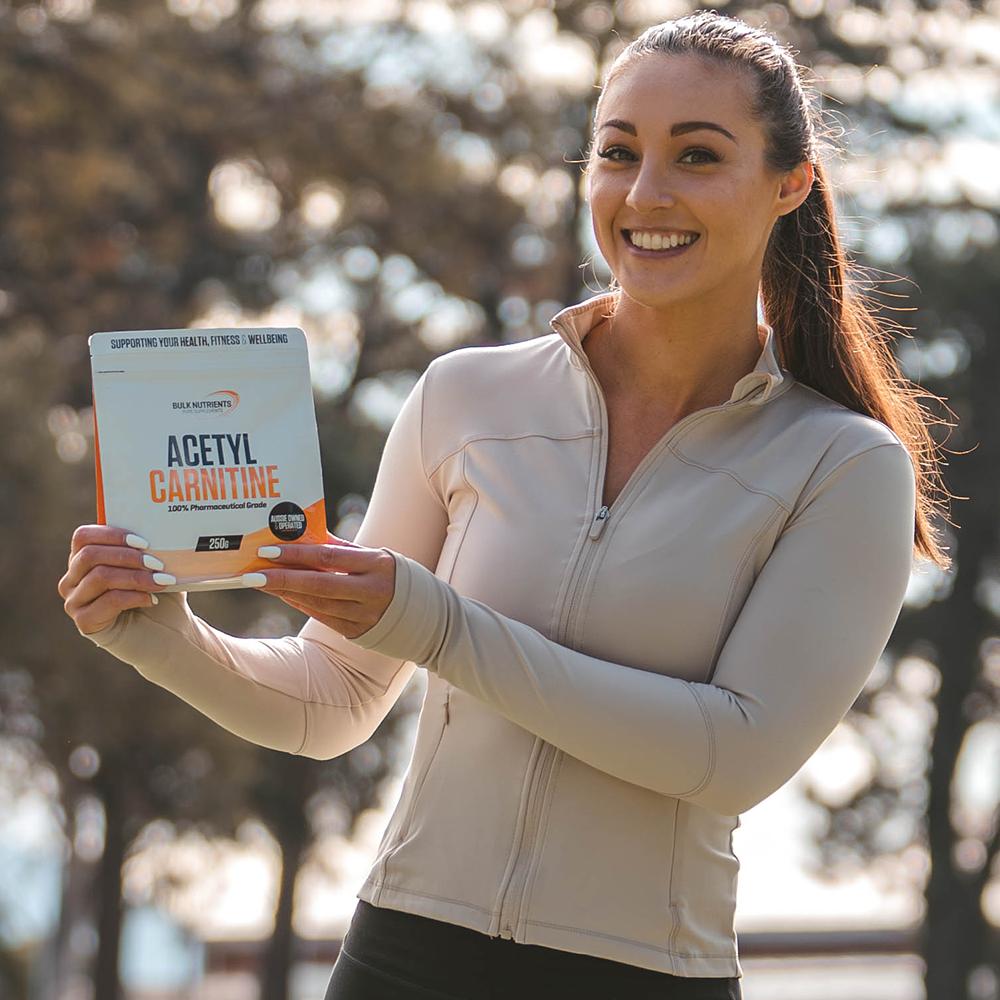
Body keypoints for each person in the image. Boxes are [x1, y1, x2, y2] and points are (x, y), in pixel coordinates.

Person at [60, 11, 951, 1000]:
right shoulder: (467, 397)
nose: (644, 194)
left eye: (697, 155)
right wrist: (162, 639)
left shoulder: (841, 464)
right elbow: (333, 699)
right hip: (404, 959)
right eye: (618, 152)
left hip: (643, 978)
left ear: (791, 183)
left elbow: (731, 754)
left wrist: (437, 626)